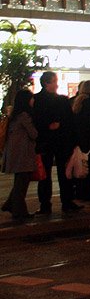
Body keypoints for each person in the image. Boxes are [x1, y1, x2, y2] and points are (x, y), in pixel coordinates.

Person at [33, 71, 80, 214]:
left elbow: (35, 120)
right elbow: (70, 122)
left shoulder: (37, 100)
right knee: (61, 172)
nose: (56, 84)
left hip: (47, 141)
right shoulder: (61, 100)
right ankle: (65, 202)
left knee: (47, 174)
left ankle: (46, 204)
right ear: (47, 83)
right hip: (58, 141)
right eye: (54, 81)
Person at [1, 89, 38, 221]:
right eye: (32, 98)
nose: (33, 101)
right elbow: (33, 134)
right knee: (22, 183)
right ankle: (19, 211)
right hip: (23, 154)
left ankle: (10, 204)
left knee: (20, 181)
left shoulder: (14, 115)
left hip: (15, 154)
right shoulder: (24, 116)